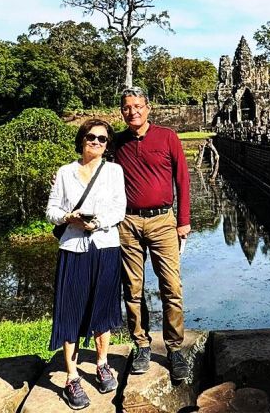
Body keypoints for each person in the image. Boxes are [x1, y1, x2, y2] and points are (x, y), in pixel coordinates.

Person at [46, 119, 127, 410]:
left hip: (105, 246)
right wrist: (70, 219)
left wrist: (97, 223)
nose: (95, 142)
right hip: (73, 248)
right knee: (71, 311)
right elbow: (51, 211)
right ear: (81, 140)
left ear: (108, 145)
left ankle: (102, 363)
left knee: (102, 309)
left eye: (102, 139)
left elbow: (120, 208)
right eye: (90, 137)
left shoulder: (114, 171)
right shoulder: (65, 173)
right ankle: (71, 376)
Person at [114, 86, 191, 381]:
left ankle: (174, 348)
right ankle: (142, 344)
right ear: (122, 111)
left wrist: (183, 221)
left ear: (148, 108)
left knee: (171, 287)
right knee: (132, 289)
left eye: (137, 106)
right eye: (126, 107)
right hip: (128, 224)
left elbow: (182, 179)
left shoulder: (167, 136)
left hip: (163, 222)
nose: (132, 111)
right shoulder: (118, 143)